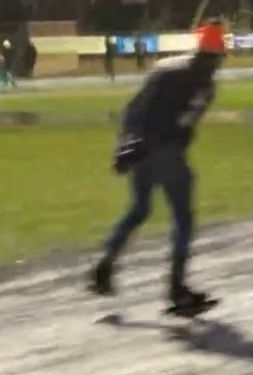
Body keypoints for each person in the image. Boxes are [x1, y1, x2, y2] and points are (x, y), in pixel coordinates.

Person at [88, 24, 226, 315]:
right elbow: (185, 124)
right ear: (216, 57)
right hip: (166, 152)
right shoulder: (204, 84)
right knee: (183, 220)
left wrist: (126, 144)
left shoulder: (164, 68)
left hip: (138, 149)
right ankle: (176, 287)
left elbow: (132, 109)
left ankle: (105, 263)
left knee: (139, 209)